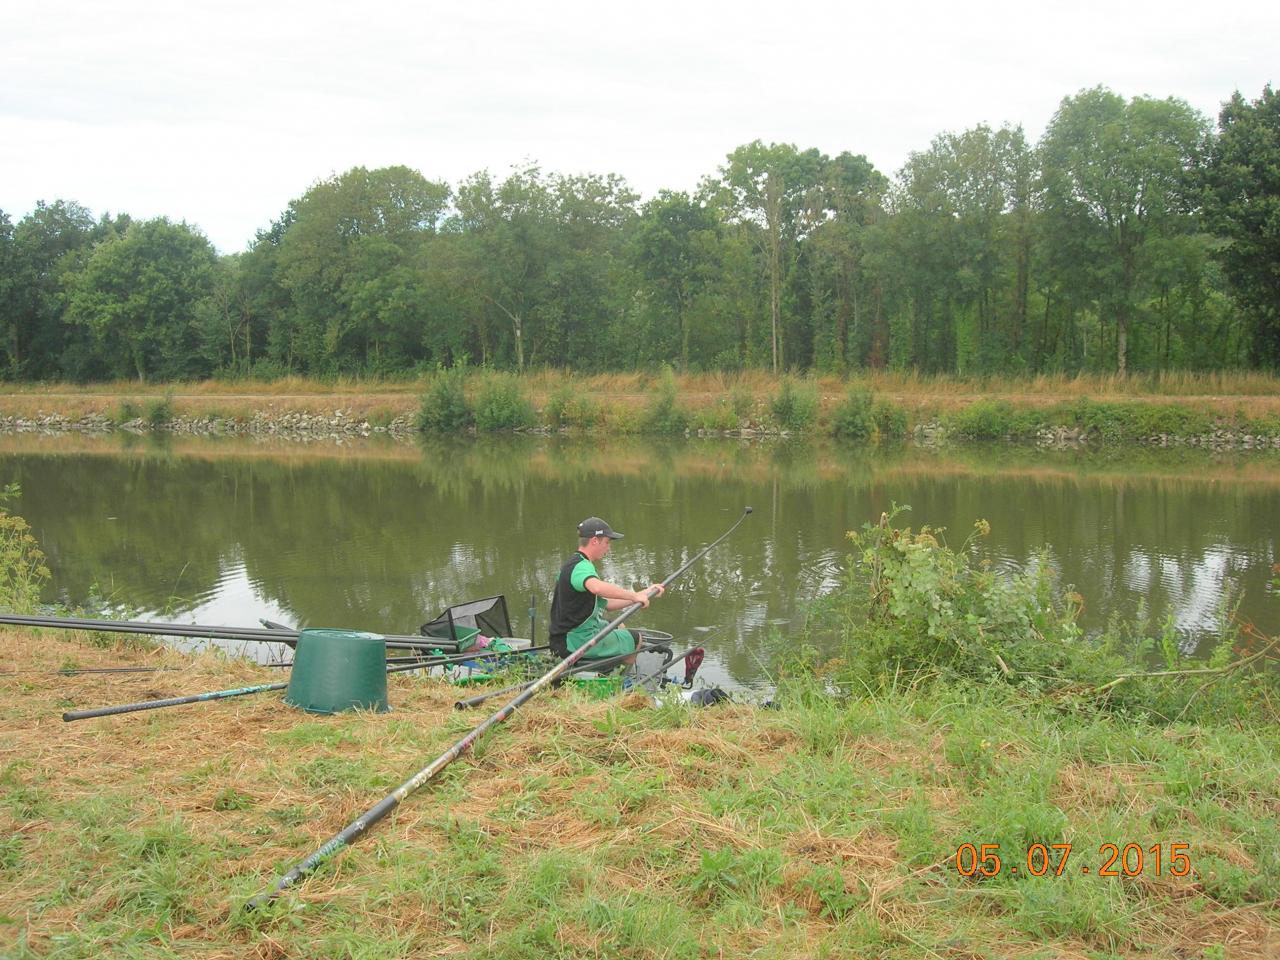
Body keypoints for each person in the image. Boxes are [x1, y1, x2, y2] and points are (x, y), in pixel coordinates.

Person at [548, 517, 664, 663]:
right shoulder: (581, 567)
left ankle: (611, 665)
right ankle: (617, 678)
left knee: (617, 625)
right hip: (573, 643)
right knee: (636, 638)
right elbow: (597, 587)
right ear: (595, 541)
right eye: (607, 542)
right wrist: (634, 597)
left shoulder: (575, 562)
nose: (609, 548)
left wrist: (644, 593)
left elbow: (607, 604)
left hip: (566, 638)